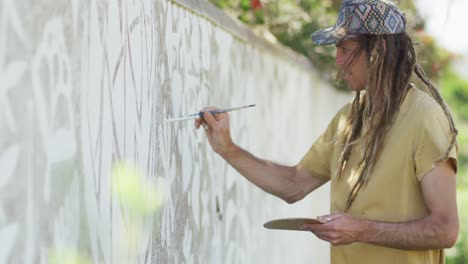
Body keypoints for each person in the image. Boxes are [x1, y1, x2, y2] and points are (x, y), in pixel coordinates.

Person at [194, 0, 459, 263]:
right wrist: (227, 148)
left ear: (379, 50)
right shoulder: (348, 118)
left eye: (345, 49)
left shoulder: (425, 118)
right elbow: (293, 185)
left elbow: (445, 230)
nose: (338, 60)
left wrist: (361, 230)